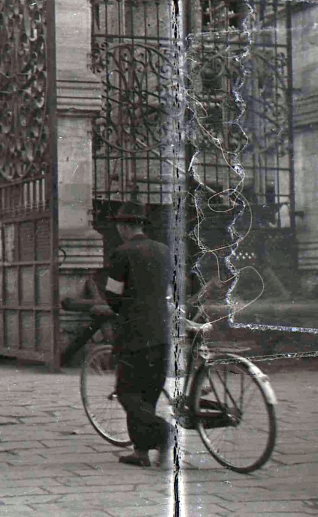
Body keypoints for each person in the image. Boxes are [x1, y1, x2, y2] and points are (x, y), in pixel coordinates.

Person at [95, 201, 174, 469]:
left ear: (123, 226)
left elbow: (113, 295)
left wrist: (119, 308)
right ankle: (141, 452)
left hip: (134, 334)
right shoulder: (164, 251)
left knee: (127, 392)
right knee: (149, 393)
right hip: (162, 332)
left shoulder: (122, 253)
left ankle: (164, 432)